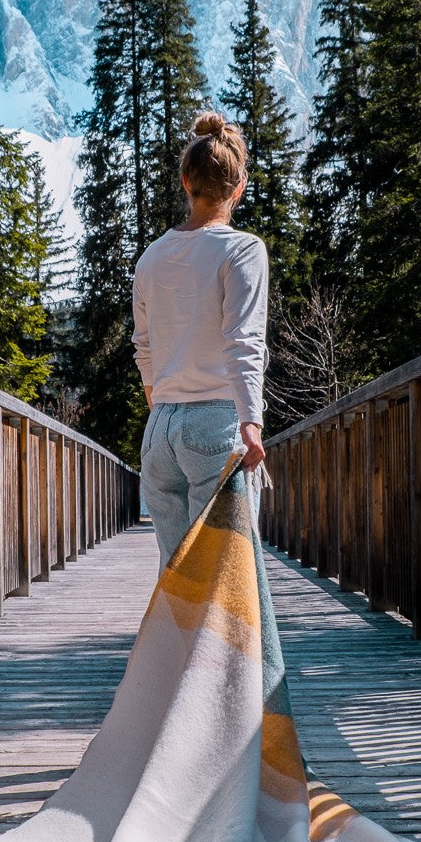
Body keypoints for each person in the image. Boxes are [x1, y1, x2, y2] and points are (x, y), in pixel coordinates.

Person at [133, 111, 268, 568]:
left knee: (182, 592)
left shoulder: (151, 257)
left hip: (160, 434)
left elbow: (144, 347)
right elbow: (243, 340)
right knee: (230, 594)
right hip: (215, 426)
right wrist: (251, 422)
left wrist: (162, 406)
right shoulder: (242, 250)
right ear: (239, 187)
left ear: (185, 181)